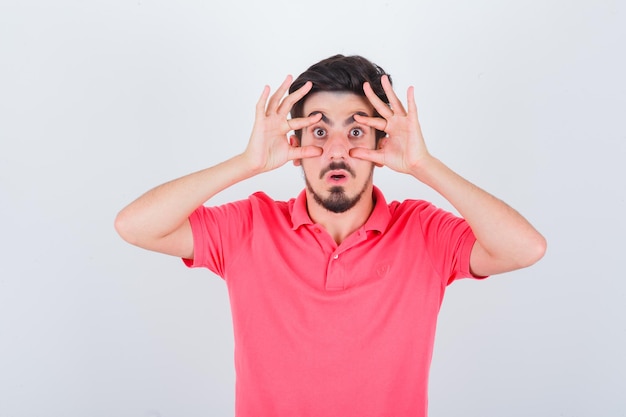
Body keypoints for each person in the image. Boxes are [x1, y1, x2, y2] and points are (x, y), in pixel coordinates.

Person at [115, 54, 546, 417]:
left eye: (356, 131)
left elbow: (525, 249)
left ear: (382, 144)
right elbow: (135, 226)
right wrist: (245, 164)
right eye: (319, 133)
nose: (337, 150)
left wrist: (424, 166)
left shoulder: (423, 231)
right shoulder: (249, 226)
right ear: (294, 146)